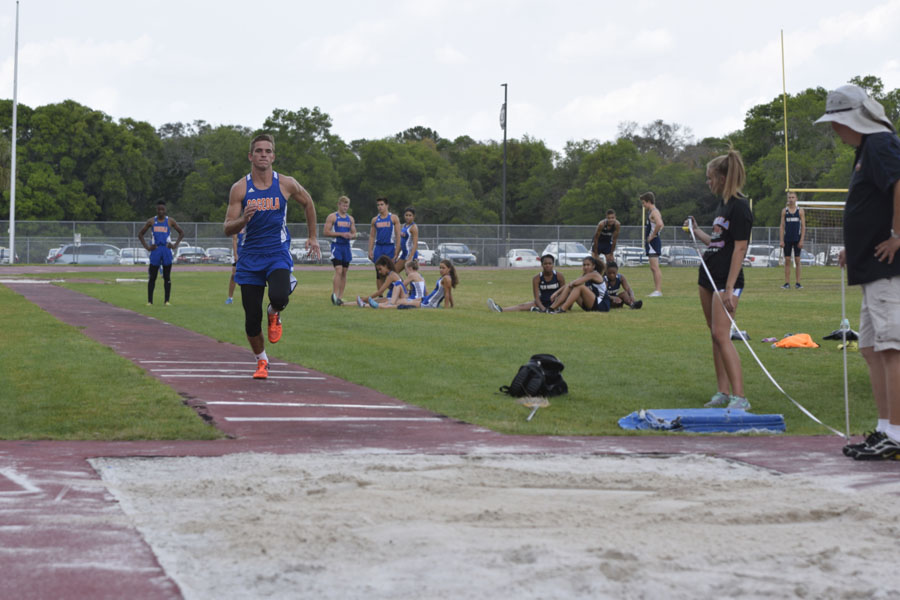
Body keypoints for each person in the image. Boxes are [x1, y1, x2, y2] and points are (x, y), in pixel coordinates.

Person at [815, 84, 900, 460]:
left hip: (887, 268)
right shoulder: (867, 149)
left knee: (891, 347)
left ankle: (896, 434)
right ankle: (885, 429)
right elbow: (872, 202)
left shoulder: (880, 144)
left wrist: (897, 235)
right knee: (869, 347)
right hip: (869, 267)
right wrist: (856, 245)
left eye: (838, 122)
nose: (835, 131)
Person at [223, 133, 319, 380]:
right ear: (250, 156)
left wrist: (313, 236)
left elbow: (308, 203)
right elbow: (227, 228)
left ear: (273, 156)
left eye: (267, 151)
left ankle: (274, 311)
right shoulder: (240, 188)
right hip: (250, 257)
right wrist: (244, 218)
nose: (263, 155)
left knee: (279, 295)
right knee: (251, 320)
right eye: (258, 151)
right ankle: (262, 361)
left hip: (277, 253)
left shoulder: (286, 183)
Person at [683, 146, 753, 411]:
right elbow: (717, 241)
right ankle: (722, 392)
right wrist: (697, 231)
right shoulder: (722, 205)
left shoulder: (740, 207)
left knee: (722, 335)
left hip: (726, 280)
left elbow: (739, 248)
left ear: (722, 178)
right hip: (708, 277)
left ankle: (740, 397)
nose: (707, 182)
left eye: (710, 177)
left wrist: (730, 288)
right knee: (714, 335)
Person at [137, 200, 184, 306]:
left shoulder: (170, 221)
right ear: (157, 210)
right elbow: (140, 234)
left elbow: (181, 233)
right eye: (159, 209)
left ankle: (167, 301)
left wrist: (175, 245)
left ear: (165, 210)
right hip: (156, 250)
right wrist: (148, 247)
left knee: (167, 276)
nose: (161, 211)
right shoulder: (151, 221)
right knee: (152, 277)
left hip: (166, 250)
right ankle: (150, 301)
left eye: (162, 209)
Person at [487, 254, 566, 312]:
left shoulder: (559, 276)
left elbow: (564, 292)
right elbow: (537, 298)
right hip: (542, 302)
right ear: (542, 265)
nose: (548, 266)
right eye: (545, 264)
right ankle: (500, 309)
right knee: (522, 306)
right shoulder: (536, 278)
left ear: (553, 265)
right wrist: (543, 309)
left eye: (550, 263)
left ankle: (538, 309)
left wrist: (556, 306)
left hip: (556, 302)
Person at [384, 259, 458, 309]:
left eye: (443, 268)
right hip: (426, 299)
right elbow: (449, 292)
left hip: (428, 303)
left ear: (449, 269)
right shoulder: (444, 278)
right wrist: (452, 305)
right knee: (400, 301)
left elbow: (447, 294)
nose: (441, 270)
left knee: (401, 303)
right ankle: (382, 304)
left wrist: (446, 307)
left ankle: (381, 306)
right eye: (440, 267)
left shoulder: (446, 278)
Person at [324, 196, 357, 305]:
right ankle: (334, 294)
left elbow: (354, 234)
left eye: (347, 206)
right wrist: (341, 234)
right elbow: (326, 232)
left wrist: (350, 236)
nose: (345, 208)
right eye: (343, 205)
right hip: (336, 246)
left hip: (346, 247)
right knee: (338, 270)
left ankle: (340, 297)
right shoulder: (333, 217)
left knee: (344, 272)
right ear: (339, 205)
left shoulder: (350, 219)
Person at [367, 197, 401, 291]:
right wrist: (370, 250)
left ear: (387, 205)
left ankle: (396, 293)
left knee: (391, 272)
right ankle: (380, 296)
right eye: (378, 205)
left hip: (389, 247)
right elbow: (372, 236)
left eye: (382, 205)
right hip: (378, 248)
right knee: (379, 273)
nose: (380, 207)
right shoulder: (375, 220)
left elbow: (398, 236)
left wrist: (397, 251)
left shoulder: (393, 218)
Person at [779, 191, 806, 289]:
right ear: (787, 199)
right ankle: (787, 283)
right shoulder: (784, 211)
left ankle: (798, 283)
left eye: (793, 197)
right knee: (787, 260)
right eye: (789, 197)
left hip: (797, 238)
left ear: (796, 198)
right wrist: (781, 240)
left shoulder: (800, 211)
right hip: (787, 239)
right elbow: (782, 226)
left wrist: (802, 240)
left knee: (797, 260)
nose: (791, 199)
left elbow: (803, 226)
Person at [641, 192, 664, 297]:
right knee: (653, 267)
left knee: (655, 267)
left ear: (649, 201)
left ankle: (658, 291)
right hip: (652, 242)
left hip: (653, 242)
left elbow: (660, 224)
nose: (643, 205)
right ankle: (657, 290)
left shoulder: (654, 212)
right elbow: (661, 225)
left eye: (644, 203)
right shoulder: (653, 212)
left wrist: (653, 235)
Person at [395, 207, 419, 274]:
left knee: (411, 275)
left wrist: (411, 257)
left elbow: (415, 244)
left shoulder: (413, 227)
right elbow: (401, 242)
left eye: (410, 215)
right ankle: (402, 284)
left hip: (410, 255)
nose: (408, 217)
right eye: (406, 215)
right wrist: (396, 254)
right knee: (394, 272)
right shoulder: (403, 226)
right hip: (404, 254)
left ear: (413, 216)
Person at [225, 228, 244, 305]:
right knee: (234, 275)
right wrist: (235, 254)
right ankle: (230, 298)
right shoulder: (238, 224)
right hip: (239, 252)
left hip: (248, 252)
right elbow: (234, 240)